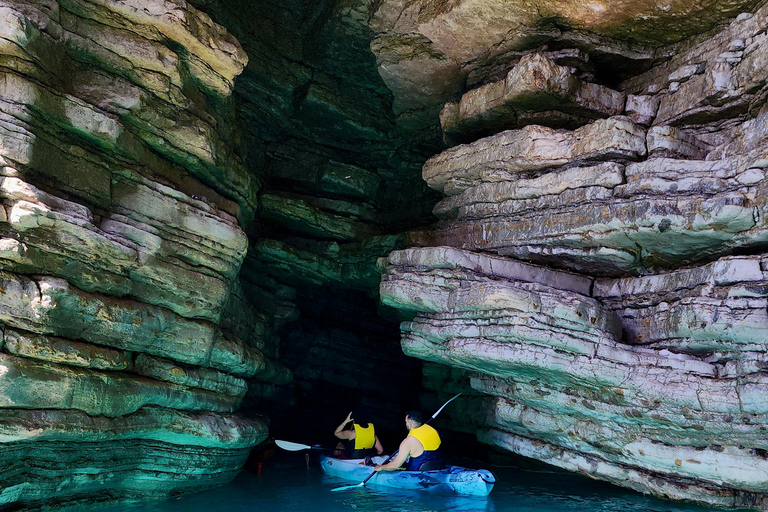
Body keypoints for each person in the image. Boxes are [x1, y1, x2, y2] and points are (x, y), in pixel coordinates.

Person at [374, 410, 444, 472]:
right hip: (437, 467)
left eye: (406, 422)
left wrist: (382, 467)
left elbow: (395, 465)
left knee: (399, 465)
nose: (406, 424)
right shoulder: (434, 431)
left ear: (410, 424)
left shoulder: (408, 442)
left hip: (417, 474)